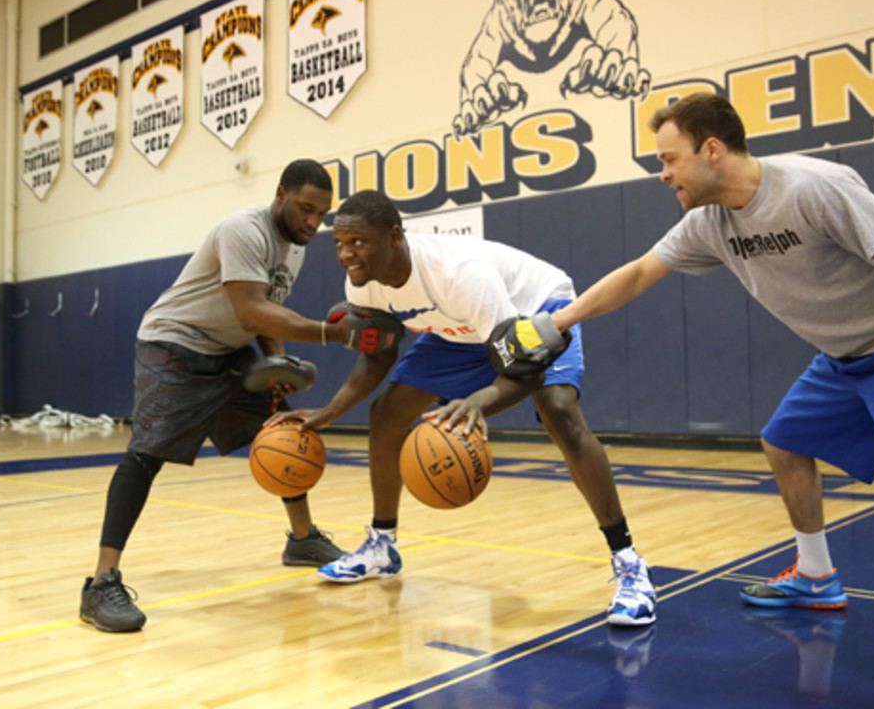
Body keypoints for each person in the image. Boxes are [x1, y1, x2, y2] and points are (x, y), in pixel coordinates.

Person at [539, 92, 874, 708]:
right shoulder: (709, 223)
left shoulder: (814, 187)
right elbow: (638, 273)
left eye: (669, 159)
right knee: (785, 442)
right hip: (846, 356)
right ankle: (817, 577)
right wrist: (558, 324)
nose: (662, 174)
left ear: (710, 149)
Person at [269, 189, 658, 627]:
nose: (345, 254)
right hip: (462, 329)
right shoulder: (363, 283)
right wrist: (330, 412)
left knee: (560, 413)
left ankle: (629, 565)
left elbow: (522, 371)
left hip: (532, 312)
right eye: (339, 243)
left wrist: (479, 400)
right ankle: (382, 544)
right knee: (387, 412)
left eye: (357, 242)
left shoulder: (461, 275)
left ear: (394, 237)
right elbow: (379, 356)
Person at [80, 159, 354, 633]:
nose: (313, 222)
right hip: (173, 343)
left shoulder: (296, 248)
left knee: (285, 433)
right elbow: (251, 311)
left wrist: (279, 366)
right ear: (281, 193)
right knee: (145, 454)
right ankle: (101, 583)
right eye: (306, 208)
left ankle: (303, 539)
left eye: (322, 214)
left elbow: (271, 313)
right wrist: (332, 335)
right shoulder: (241, 230)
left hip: (227, 350)